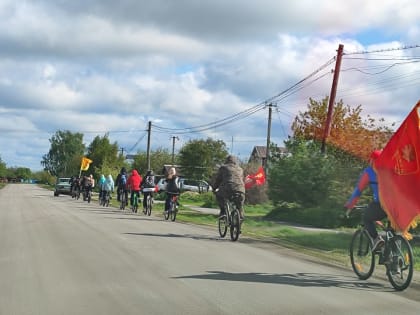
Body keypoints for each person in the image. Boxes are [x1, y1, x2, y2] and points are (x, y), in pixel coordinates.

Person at [345, 149, 386, 252]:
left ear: (371, 160)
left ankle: (377, 239)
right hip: (396, 206)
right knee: (395, 231)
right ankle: (395, 259)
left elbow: (358, 190)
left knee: (367, 218)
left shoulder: (369, 172)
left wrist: (350, 206)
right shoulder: (390, 169)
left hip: (381, 205)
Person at [212, 155, 246, 220]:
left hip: (227, 189)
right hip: (241, 190)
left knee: (219, 196)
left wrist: (214, 188)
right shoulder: (240, 169)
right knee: (240, 206)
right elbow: (241, 180)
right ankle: (240, 219)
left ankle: (223, 212)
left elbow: (218, 180)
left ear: (227, 161)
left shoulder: (223, 168)